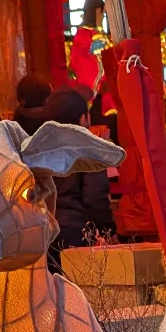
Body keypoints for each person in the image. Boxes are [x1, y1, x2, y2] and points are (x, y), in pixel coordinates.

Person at [43, 84, 115, 255]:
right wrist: (108, 230)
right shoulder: (88, 149)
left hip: (43, 232)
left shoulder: (41, 148)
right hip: (76, 233)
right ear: (83, 118)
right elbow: (95, 196)